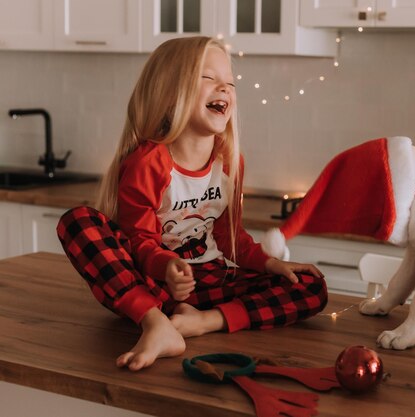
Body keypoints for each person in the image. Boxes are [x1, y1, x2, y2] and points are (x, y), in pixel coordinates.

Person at [56, 36, 327, 371]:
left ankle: (201, 322)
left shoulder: (230, 162)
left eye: (229, 82)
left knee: (311, 286)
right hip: (152, 285)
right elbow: (139, 243)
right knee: (78, 221)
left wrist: (271, 264)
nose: (224, 89)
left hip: (210, 282)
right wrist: (167, 267)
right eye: (209, 78)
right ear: (171, 91)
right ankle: (154, 322)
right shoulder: (149, 162)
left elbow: (230, 237)